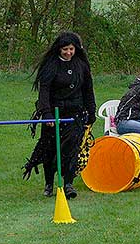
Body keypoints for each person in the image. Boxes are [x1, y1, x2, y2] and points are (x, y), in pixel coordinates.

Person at [22, 31, 96, 198]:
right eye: (65, 49)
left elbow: (88, 90)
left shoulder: (81, 66)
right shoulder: (51, 65)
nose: (68, 53)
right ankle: (49, 184)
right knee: (49, 150)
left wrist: (91, 111)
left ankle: (68, 183)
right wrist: (47, 114)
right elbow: (44, 92)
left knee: (71, 149)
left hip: (75, 114)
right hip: (53, 115)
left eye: (71, 49)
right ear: (59, 49)